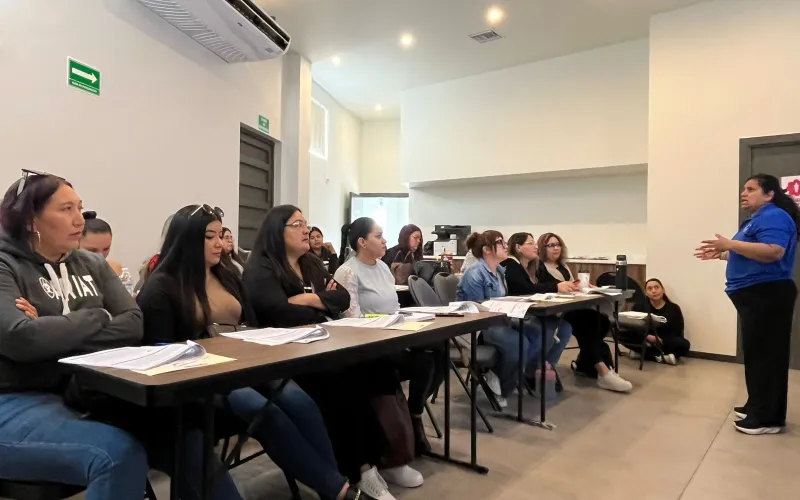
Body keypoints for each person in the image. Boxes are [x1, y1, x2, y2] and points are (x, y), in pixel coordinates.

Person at [0, 172, 224, 500]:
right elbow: (21, 339)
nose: (80, 219)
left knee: (185, 436)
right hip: (18, 397)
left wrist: (50, 327)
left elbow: (133, 324)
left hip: (88, 389)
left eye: (80, 207)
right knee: (116, 456)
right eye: (66, 209)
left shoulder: (91, 263)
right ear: (31, 219)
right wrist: (98, 315)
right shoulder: (5, 265)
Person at [137, 205, 373, 500]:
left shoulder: (225, 275)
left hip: (247, 363)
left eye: (220, 236)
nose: (219, 243)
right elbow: (160, 352)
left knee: (300, 402)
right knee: (265, 412)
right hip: (205, 378)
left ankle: (334, 483)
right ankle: (338, 490)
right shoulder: (163, 287)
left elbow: (252, 323)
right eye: (209, 237)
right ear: (185, 239)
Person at [243, 205, 408, 500]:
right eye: (297, 224)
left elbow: (341, 297)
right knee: (341, 385)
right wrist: (321, 302)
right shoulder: (262, 267)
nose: (306, 230)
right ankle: (358, 470)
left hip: (318, 345)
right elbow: (277, 312)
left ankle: (380, 459)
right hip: (282, 356)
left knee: (375, 370)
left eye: (306, 223)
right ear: (277, 231)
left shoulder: (309, 262)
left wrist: (307, 299)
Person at [695, 173, 798, 435]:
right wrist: (723, 254)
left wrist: (730, 243)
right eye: (744, 189)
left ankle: (768, 419)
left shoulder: (774, 216)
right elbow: (750, 253)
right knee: (756, 355)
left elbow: (774, 251)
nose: (744, 193)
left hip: (768, 294)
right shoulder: (756, 219)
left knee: (767, 357)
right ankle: (757, 405)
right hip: (756, 295)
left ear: (769, 194)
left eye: (751, 189)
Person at [335, 217, 441, 457]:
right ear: (362, 242)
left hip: (394, 334)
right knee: (423, 360)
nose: (385, 241)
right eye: (378, 236)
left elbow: (394, 306)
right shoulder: (347, 272)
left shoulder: (383, 267)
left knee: (439, 350)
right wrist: (385, 322)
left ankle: (414, 412)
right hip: (370, 344)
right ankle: (410, 419)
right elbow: (351, 319)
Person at [455, 230, 560, 406]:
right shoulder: (474, 273)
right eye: (500, 243)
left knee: (538, 331)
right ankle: (501, 385)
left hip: (499, 320)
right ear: (487, 250)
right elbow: (476, 310)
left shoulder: (499, 271)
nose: (505, 246)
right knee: (519, 343)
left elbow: (501, 300)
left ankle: (508, 377)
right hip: (477, 328)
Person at [536, 232, 633, 393]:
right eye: (551, 245)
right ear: (542, 248)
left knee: (600, 320)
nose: (556, 248)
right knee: (585, 324)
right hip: (557, 310)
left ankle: (585, 363)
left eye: (558, 244)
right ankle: (603, 371)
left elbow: (572, 286)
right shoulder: (540, 268)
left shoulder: (563, 266)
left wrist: (587, 288)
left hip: (572, 305)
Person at [501, 232, 574, 373]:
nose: (536, 247)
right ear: (518, 247)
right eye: (531, 243)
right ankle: (529, 372)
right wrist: (556, 287)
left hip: (535, 312)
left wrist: (567, 285)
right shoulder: (510, 265)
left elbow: (550, 282)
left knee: (565, 329)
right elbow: (526, 288)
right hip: (518, 314)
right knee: (546, 329)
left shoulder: (535, 264)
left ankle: (546, 368)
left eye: (535, 243)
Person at [620, 279, 690, 365]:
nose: (654, 291)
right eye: (650, 288)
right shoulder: (639, 307)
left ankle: (643, 354)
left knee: (684, 344)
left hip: (665, 342)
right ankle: (661, 357)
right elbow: (633, 327)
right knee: (621, 333)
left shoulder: (674, 308)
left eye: (656, 287)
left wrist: (661, 340)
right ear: (646, 293)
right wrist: (648, 337)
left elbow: (678, 331)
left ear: (663, 290)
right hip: (645, 340)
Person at [80, 211, 123, 275]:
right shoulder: (65, 273)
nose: (101, 256)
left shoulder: (114, 269)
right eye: (92, 251)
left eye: (106, 249)